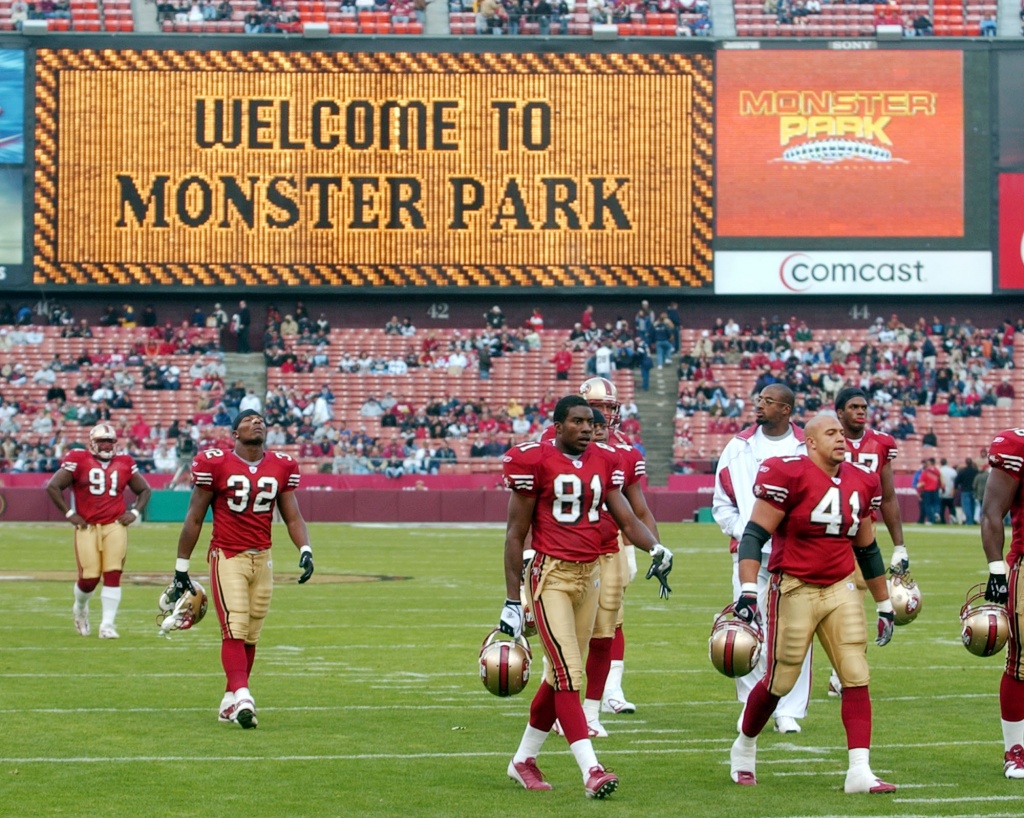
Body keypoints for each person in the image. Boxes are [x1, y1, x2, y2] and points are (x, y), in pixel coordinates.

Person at [500, 395, 671, 798]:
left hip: (590, 574)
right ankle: (591, 770)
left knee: (555, 675)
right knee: (568, 676)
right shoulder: (534, 461)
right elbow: (514, 533)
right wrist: (511, 600)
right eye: (576, 421)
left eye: (589, 422)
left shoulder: (604, 461)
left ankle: (523, 760)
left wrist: (656, 547)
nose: (585, 428)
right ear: (557, 426)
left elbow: (626, 517)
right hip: (550, 577)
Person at [729, 413, 896, 793]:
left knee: (856, 673)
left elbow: (867, 547)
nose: (841, 438)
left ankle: (859, 771)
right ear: (811, 442)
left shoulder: (862, 479)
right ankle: (744, 746)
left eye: (842, 432)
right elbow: (754, 534)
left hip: (840, 588)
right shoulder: (788, 474)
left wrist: (884, 603)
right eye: (831, 433)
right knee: (780, 680)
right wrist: (748, 589)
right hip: (794, 588)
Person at [166, 410, 315, 729]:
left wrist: (305, 549)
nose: (257, 422)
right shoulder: (214, 462)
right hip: (227, 555)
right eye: (248, 420)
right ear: (234, 433)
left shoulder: (282, 465)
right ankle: (244, 696)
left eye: (261, 419)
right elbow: (194, 516)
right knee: (234, 626)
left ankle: (228, 701)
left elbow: (292, 516)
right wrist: (181, 567)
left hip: (263, 558)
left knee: (250, 634)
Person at [542, 377, 660, 728]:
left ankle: (594, 709)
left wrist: (655, 547)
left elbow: (637, 510)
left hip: (610, 550)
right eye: (597, 407)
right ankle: (562, 708)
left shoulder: (622, 453)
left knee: (606, 631)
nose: (602, 415)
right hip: (560, 555)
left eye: (609, 408)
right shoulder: (548, 451)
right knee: (564, 639)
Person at [713, 383, 810, 734]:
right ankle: (750, 704)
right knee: (748, 626)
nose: (760, 405)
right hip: (749, 555)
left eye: (769, 401)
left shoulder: (806, 446)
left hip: (796, 553)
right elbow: (720, 501)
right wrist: (744, 531)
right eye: (759, 399)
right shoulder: (738, 446)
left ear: (786, 409)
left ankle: (789, 710)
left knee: (796, 630)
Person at [832, 387, 910, 695]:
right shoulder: (827, 438)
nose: (861, 411)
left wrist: (900, 545)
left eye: (864, 406)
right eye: (853, 406)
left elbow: (888, 497)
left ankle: (845, 672)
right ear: (839, 412)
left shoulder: (880, 444)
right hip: (829, 532)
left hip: (864, 530)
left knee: (855, 601)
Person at [45, 424, 152, 639]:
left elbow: (144, 489)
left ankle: (107, 625)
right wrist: (69, 514)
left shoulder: (124, 461)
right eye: (102, 441)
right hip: (87, 526)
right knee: (89, 578)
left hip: (115, 525)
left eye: (110, 441)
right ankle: (80, 608)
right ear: (92, 442)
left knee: (113, 574)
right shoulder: (78, 458)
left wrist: (135, 512)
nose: (106, 445)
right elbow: (53, 486)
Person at [979, 428, 1024, 778]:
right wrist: (997, 569)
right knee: (1020, 662)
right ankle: (1015, 751)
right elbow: (992, 511)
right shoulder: (1016, 445)